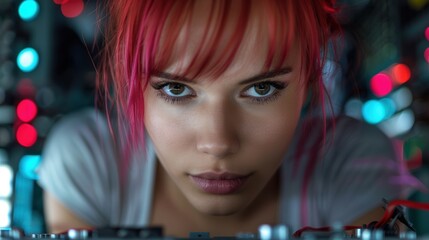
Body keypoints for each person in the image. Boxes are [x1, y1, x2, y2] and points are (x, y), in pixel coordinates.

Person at [37, 0, 421, 237]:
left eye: (262, 89)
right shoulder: (86, 163)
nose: (218, 142)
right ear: (131, 86)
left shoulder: (351, 163)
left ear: (307, 80)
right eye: (175, 89)